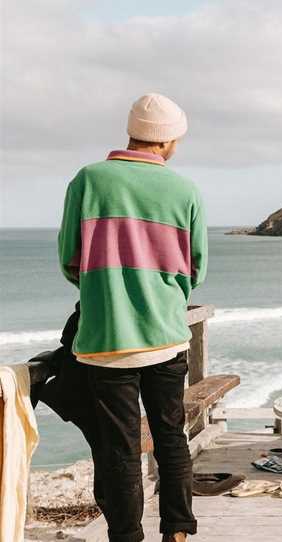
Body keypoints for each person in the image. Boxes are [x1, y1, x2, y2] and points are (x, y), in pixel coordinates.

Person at [57, 93, 207, 542]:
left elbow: (70, 259)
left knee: (118, 450)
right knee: (171, 437)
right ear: (169, 141)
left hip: (105, 341)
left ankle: (127, 537)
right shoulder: (184, 190)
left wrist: (106, 292)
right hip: (165, 335)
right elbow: (195, 268)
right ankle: (177, 531)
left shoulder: (89, 180)